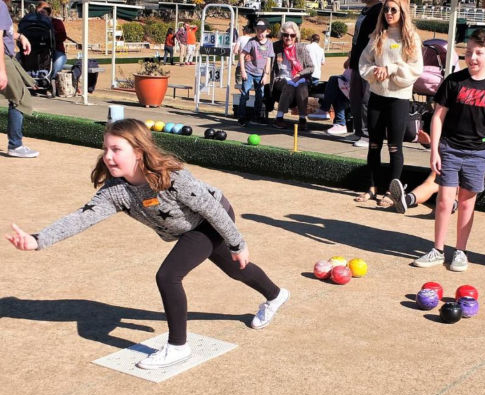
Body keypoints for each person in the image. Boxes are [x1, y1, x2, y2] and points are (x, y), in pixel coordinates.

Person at [5, 119, 290, 369]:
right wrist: (37, 240)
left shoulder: (172, 177)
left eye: (117, 150)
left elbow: (212, 210)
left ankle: (178, 346)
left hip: (211, 219)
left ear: (138, 152)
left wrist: (237, 243)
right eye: (106, 149)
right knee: (235, 270)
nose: (108, 156)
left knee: (168, 276)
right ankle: (276, 295)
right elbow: (81, 219)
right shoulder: (115, 191)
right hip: (187, 228)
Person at [412, 29, 485, 272]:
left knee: (466, 203)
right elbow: (437, 117)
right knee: (444, 202)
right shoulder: (453, 81)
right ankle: (437, 249)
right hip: (450, 149)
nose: (473, 57)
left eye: (479, 53)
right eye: (468, 52)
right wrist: (434, 150)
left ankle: (460, 251)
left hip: (479, 154)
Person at [356, 0, 423, 207]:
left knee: (395, 146)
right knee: (374, 144)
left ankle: (392, 191)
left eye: (394, 9)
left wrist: (392, 68)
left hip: (399, 98)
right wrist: (375, 72)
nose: (389, 13)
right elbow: (364, 62)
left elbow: (415, 68)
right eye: (386, 9)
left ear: (402, 12)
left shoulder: (411, 37)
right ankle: (372, 187)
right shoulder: (377, 35)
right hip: (377, 95)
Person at [0, 0, 39, 158]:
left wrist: (20, 36)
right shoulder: (0, 5)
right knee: (20, 98)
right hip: (3, 58)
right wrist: (1, 70)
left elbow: (6, 32)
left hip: (7, 57)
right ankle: (15, 145)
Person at [344, 0, 383, 147]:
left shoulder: (380, 10)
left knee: (367, 100)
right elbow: (357, 37)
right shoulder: (365, 10)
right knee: (355, 98)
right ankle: (358, 131)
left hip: (370, 63)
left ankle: (368, 135)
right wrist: (350, 56)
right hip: (356, 61)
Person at [269, 21, 314, 131]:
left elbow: (311, 67)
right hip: (281, 78)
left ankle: (302, 119)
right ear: (282, 35)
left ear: (296, 36)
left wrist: (300, 74)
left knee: (302, 87)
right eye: (286, 35)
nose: (289, 38)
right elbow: (265, 61)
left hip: (298, 76)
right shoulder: (276, 47)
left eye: (292, 35)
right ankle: (279, 118)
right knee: (288, 85)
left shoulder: (302, 48)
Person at [238, 19, 274, 127]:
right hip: (249, 71)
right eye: (258, 31)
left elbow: (268, 59)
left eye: (262, 31)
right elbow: (241, 55)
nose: (260, 33)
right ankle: (241, 116)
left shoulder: (269, 44)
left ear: (267, 31)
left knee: (260, 95)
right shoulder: (252, 42)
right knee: (245, 94)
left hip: (260, 74)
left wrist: (266, 75)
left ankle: (256, 116)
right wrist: (243, 71)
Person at [308, 69, 351, 136]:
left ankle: (325, 110)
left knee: (334, 80)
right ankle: (340, 124)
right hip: (347, 80)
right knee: (334, 85)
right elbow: (346, 65)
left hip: (353, 83)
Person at [36, 1, 67, 93]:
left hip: (56, 50)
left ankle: (50, 82)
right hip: (39, 51)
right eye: (39, 12)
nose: (41, 14)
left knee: (59, 60)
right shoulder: (33, 24)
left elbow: (63, 36)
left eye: (44, 11)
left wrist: (51, 34)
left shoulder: (57, 22)